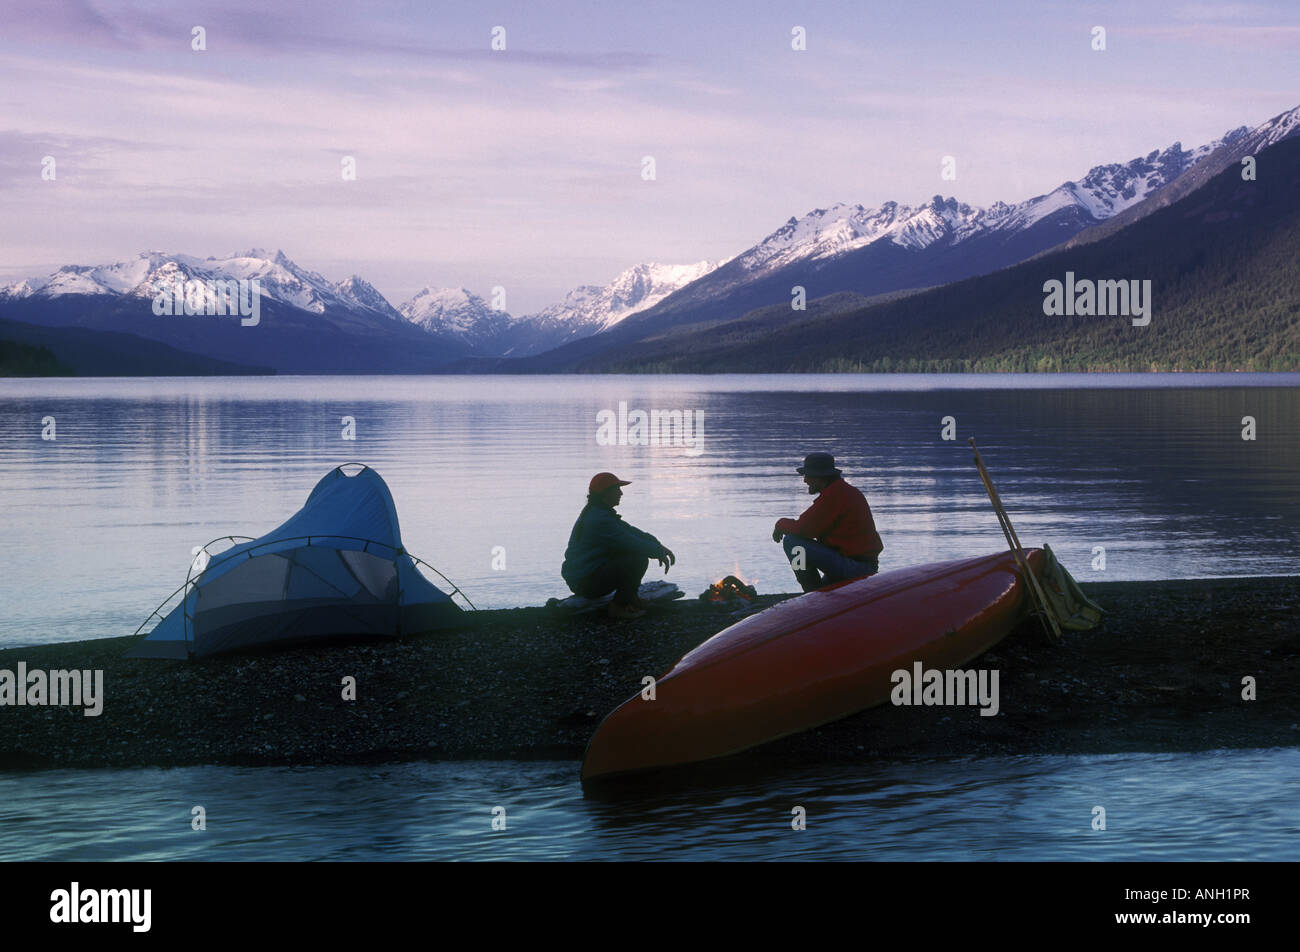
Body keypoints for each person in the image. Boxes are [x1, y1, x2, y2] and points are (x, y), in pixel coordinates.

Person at [562, 472, 675, 619]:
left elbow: (629, 531)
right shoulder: (600, 519)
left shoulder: (599, 513)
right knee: (636, 559)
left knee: (631, 555)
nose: (621, 493)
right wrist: (657, 551)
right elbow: (630, 541)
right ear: (605, 493)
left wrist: (657, 545)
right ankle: (618, 608)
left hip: (586, 575)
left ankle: (631, 598)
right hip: (585, 581)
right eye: (617, 489)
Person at [772, 452, 883, 592]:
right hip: (856, 564)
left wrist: (780, 524)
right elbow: (808, 527)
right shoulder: (842, 492)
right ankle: (817, 591)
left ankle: (811, 592)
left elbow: (802, 529)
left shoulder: (835, 495)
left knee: (792, 542)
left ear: (819, 478)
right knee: (795, 541)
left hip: (856, 568)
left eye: (807, 476)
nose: (805, 480)